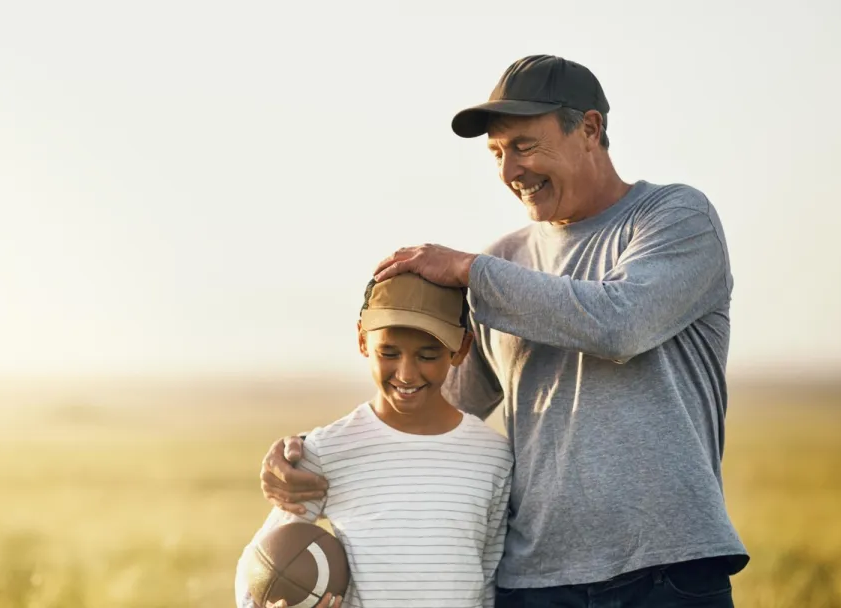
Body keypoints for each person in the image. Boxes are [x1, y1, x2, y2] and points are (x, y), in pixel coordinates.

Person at [259, 55, 749, 607]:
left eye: (524, 146)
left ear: (589, 129)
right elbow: (428, 404)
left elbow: (621, 323)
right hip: (534, 584)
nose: (509, 171)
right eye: (496, 153)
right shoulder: (505, 262)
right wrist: (307, 458)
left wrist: (470, 271)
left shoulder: (674, 217)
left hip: (668, 573)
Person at [235, 273, 513, 608]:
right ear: (363, 340)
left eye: (427, 355)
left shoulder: (493, 457)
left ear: (461, 348)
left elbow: (487, 581)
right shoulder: (326, 451)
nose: (407, 374)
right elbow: (261, 563)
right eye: (389, 352)